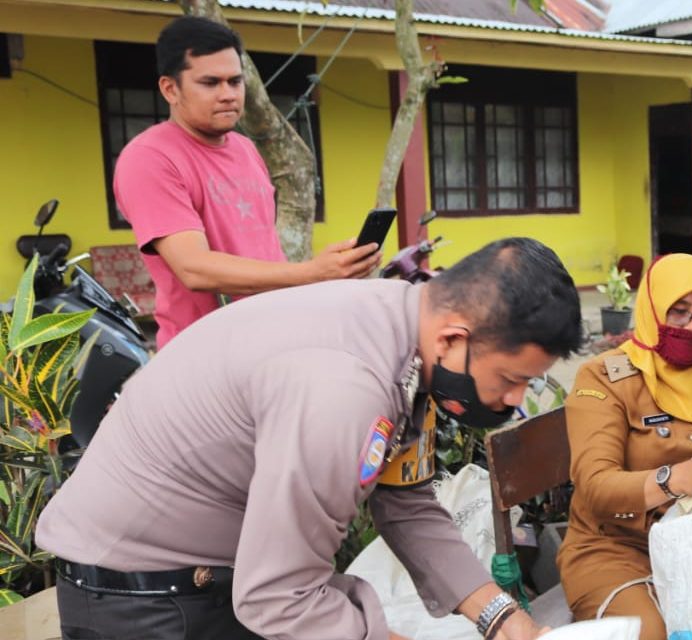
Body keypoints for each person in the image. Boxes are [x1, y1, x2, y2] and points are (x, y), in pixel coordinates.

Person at [36, 238, 581, 640]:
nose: (514, 401)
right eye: (511, 380)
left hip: (209, 583)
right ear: (455, 337)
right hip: (144, 606)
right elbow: (279, 596)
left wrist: (502, 619)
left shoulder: (404, 334)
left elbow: (406, 501)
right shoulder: (345, 388)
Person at [114, 16, 380, 349]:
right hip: (206, 355)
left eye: (235, 81)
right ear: (170, 89)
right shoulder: (150, 158)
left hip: (274, 340)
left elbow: (263, 253)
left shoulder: (245, 149)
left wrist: (331, 273)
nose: (228, 94)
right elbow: (194, 268)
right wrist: (313, 271)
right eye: (210, 83)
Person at [557, 254, 692, 640]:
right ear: (653, 309)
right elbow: (595, 487)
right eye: (679, 312)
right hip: (615, 550)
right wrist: (677, 478)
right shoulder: (606, 378)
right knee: (651, 632)